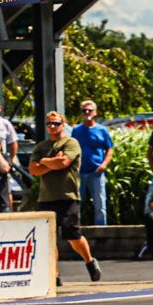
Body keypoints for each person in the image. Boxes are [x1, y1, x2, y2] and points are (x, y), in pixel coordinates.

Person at [28, 111, 101, 284]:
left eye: (55, 123)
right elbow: (33, 170)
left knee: (73, 235)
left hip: (68, 196)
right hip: (46, 198)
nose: (52, 127)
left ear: (63, 124)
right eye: (49, 124)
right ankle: (55, 275)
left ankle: (90, 261)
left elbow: (63, 163)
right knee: (49, 238)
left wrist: (44, 162)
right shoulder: (41, 146)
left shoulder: (71, 142)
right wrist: (49, 161)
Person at [71, 100, 114, 226]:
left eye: (90, 110)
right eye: (84, 110)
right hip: (80, 172)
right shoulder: (76, 130)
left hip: (97, 172)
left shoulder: (102, 130)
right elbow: (72, 148)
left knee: (100, 204)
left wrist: (104, 164)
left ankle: (101, 229)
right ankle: (75, 228)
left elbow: (109, 149)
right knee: (77, 202)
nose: (87, 112)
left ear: (95, 113)